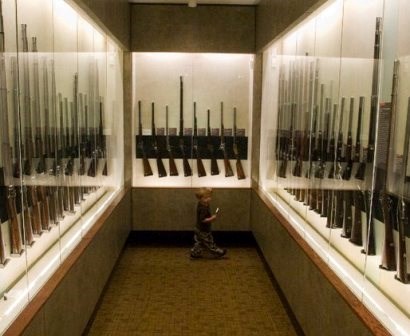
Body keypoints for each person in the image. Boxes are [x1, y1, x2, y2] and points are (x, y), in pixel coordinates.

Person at [190, 187, 227, 259]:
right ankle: (218, 252)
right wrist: (211, 218)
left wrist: (210, 190)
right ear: (200, 199)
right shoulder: (203, 208)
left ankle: (195, 253)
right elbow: (203, 220)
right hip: (203, 229)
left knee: (200, 242)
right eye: (206, 198)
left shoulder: (202, 203)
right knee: (209, 242)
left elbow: (209, 192)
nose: (208, 199)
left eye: (209, 197)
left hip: (199, 228)